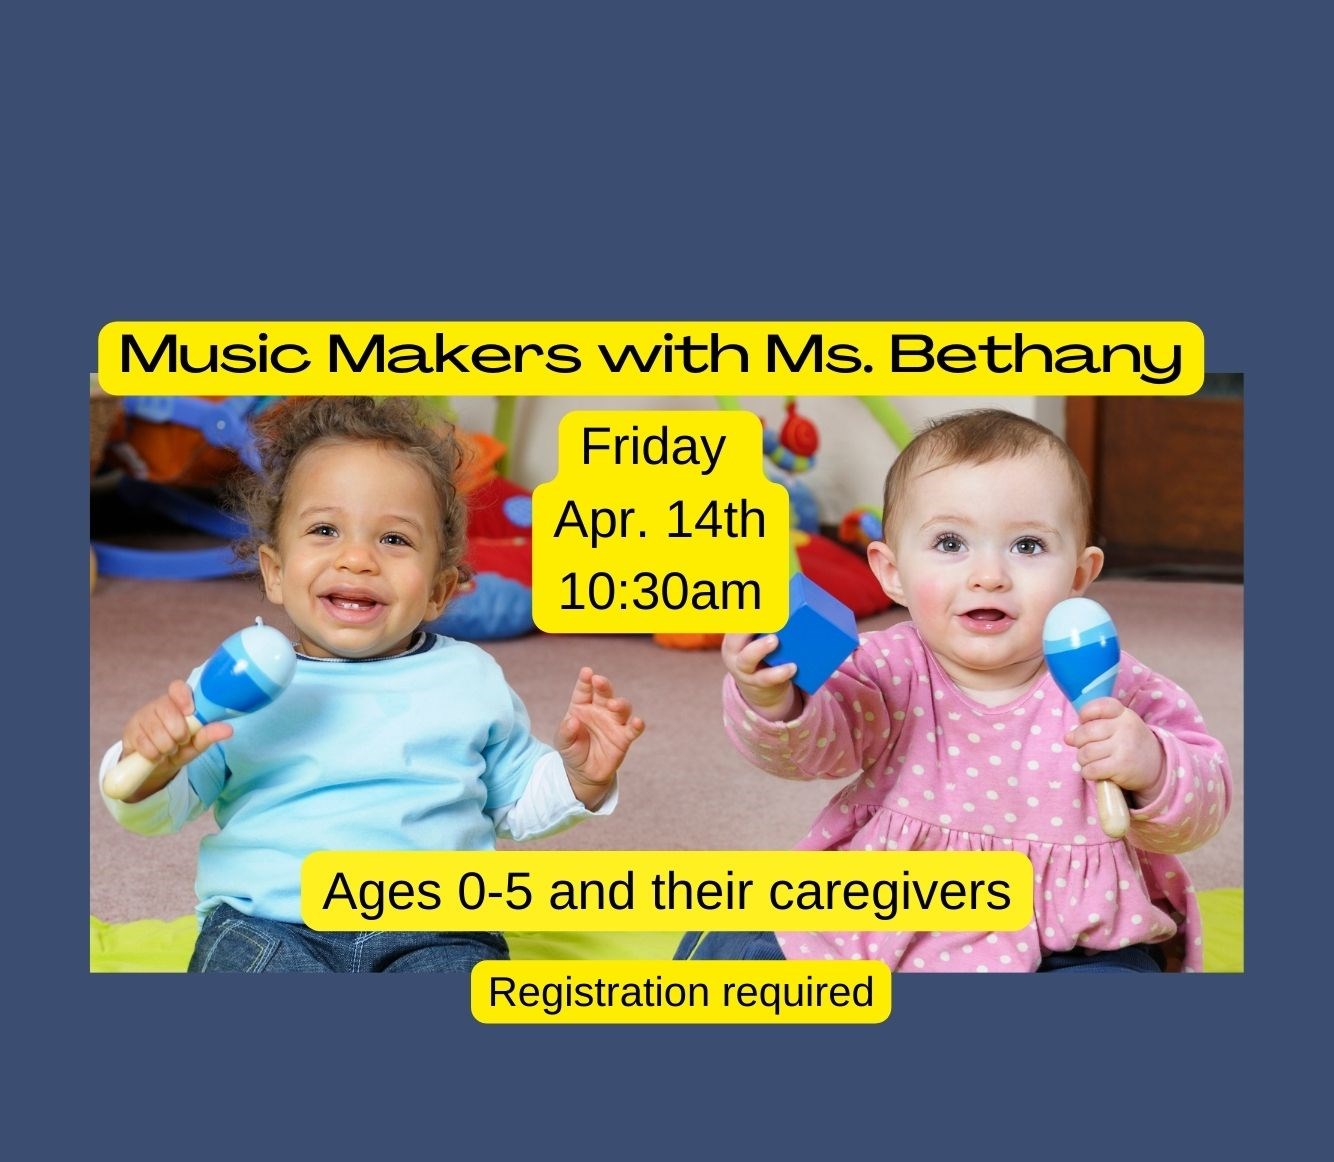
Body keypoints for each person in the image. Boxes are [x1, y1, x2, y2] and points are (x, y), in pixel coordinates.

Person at [100, 397, 644, 973]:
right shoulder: (238, 681)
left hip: (438, 933)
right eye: (325, 529)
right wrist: (150, 762)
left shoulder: (468, 678)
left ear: (438, 590)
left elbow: (515, 802)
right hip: (269, 925)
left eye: (395, 540)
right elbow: (157, 811)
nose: (357, 558)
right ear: (275, 572)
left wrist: (579, 778)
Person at [698, 408, 1230, 973]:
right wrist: (772, 699)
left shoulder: (1112, 683)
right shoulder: (885, 667)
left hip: (1068, 938)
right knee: (736, 944)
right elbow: (808, 751)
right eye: (950, 542)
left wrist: (1151, 766)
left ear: (1079, 574)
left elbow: (1200, 810)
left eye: (1027, 546)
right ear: (891, 571)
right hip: (890, 914)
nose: (989, 575)